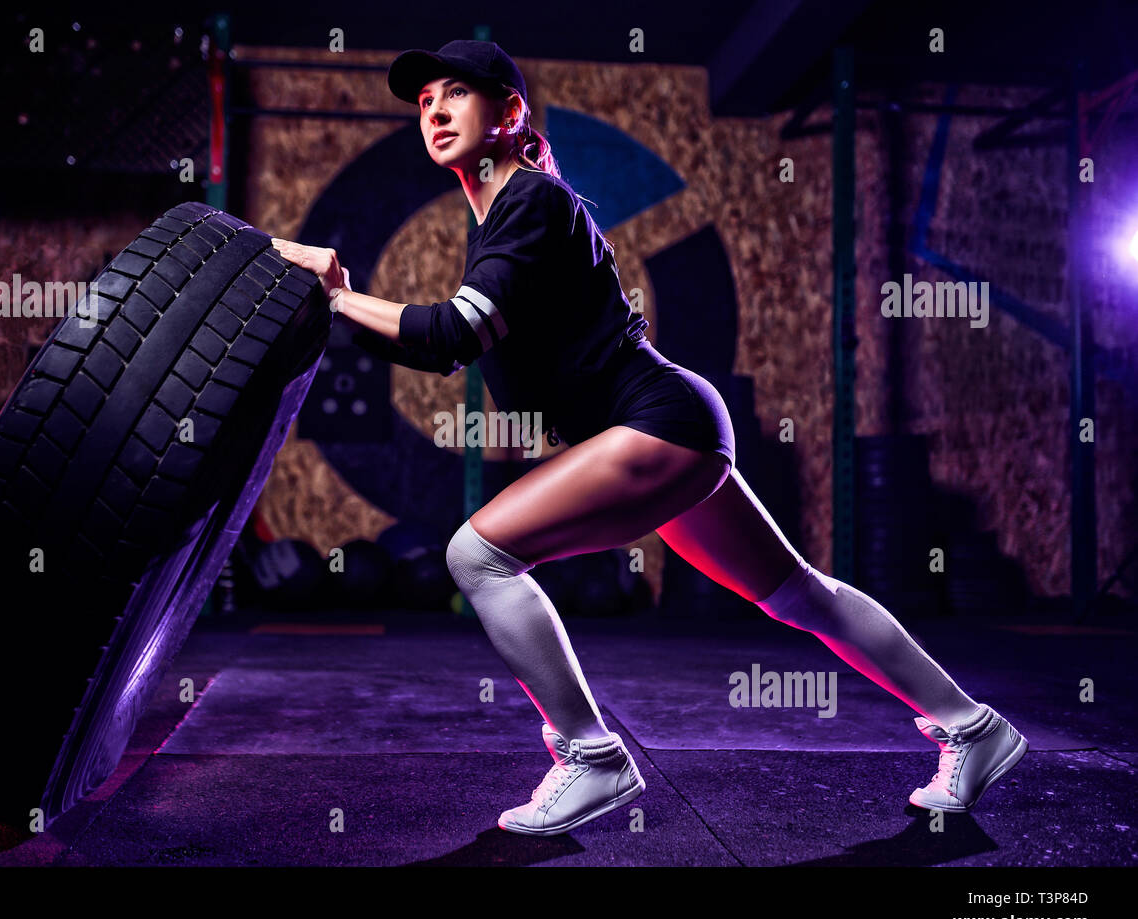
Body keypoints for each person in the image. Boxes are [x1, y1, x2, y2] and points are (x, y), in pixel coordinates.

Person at [270, 39, 1028, 836]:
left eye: (456, 93)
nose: (435, 113)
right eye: (424, 103)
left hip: (654, 424)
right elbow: (442, 342)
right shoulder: (500, 216)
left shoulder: (529, 200)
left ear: (511, 112)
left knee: (476, 555)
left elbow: (449, 336)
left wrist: (338, 295)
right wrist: (343, 305)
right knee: (800, 593)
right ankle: (974, 728)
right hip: (673, 427)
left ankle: (592, 757)